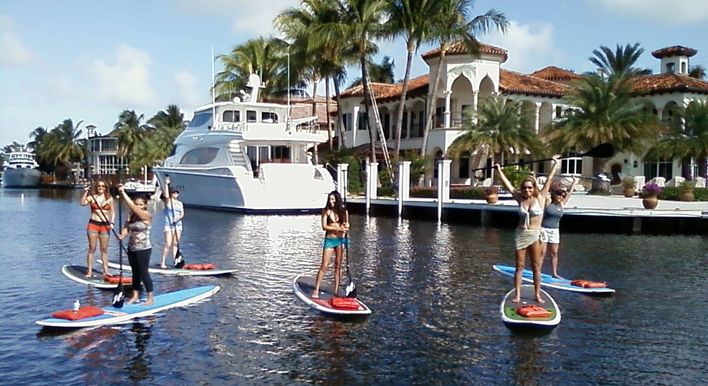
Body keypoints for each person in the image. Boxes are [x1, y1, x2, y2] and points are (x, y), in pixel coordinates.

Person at [496, 156, 560, 303]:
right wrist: (499, 171)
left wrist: (555, 165)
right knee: (519, 266)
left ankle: (537, 294)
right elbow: (508, 186)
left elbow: (549, 179)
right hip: (520, 234)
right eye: (524, 187)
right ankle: (517, 294)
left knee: (536, 267)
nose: (527, 190)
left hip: (535, 235)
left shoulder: (541, 197)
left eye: (530, 187)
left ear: (534, 188)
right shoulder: (520, 198)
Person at [117, 187, 155, 306]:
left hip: (143, 249)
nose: (138, 206)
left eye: (140, 204)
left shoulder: (146, 215)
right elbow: (126, 228)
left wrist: (123, 193)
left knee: (144, 272)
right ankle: (135, 296)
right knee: (135, 272)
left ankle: (150, 297)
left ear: (144, 205)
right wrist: (122, 234)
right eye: (136, 204)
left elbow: (132, 207)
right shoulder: (132, 216)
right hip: (132, 248)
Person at [312, 190, 349, 298]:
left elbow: (347, 225)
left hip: (340, 240)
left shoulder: (344, 212)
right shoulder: (326, 211)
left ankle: (336, 290)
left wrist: (346, 227)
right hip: (329, 240)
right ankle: (316, 290)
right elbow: (324, 227)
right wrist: (337, 228)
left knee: (338, 266)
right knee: (324, 265)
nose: (331, 201)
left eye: (333, 199)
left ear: (337, 200)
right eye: (329, 199)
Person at [541, 177, 579, 279]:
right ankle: (538, 272)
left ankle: (554, 273)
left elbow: (570, 193)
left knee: (554, 253)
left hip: (555, 231)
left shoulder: (561, 204)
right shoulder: (548, 202)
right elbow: (544, 191)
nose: (561, 196)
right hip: (544, 229)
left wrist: (574, 182)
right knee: (542, 253)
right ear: (554, 194)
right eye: (559, 194)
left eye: (562, 195)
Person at [80, 180, 114, 277]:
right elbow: (82, 203)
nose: (101, 188)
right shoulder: (92, 197)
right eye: (99, 186)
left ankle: (106, 271)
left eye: (103, 186)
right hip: (93, 225)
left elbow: (113, 212)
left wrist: (112, 222)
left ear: (106, 188)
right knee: (92, 248)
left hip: (105, 225)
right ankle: (89, 271)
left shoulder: (109, 199)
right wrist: (86, 192)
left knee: (104, 249)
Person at [159, 177, 184, 269]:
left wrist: (177, 218)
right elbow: (165, 195)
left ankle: (175, 261)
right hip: (169, 225)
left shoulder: (180, 203)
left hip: (178, 225)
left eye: (177, 192)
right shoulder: (168, 202)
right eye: (174, 192)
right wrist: (166, 184)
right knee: (168, 244)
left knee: (175, 244)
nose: (176, 194)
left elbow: (182, 214)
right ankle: (163, 262)